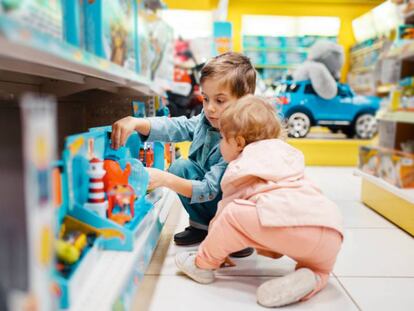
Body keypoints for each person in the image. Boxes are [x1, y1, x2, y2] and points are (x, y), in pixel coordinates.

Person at [175, 95, 343, 308]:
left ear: (239, 142)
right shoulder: (286, 154)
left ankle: (202, 266)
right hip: (331, 230)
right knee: (319, 267)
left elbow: (225, 216)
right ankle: (314, 277)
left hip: (293, 229)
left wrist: (215, 250)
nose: (220, 144)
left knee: (233, 213)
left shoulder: (241, 164)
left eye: (222, 139)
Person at [111, 52, 256, 256]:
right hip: (214, 197)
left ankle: (235, 235)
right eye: (205, 99)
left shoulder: (239, 141)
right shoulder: (206, 121)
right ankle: (201, 226)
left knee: (178, 174)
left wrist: (165, 180)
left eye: (220, 101)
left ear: (244, 101)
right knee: (181, 167)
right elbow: (177, 126)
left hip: (233, 205)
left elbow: (210, 188)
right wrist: (137, 123)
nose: (210, 108)